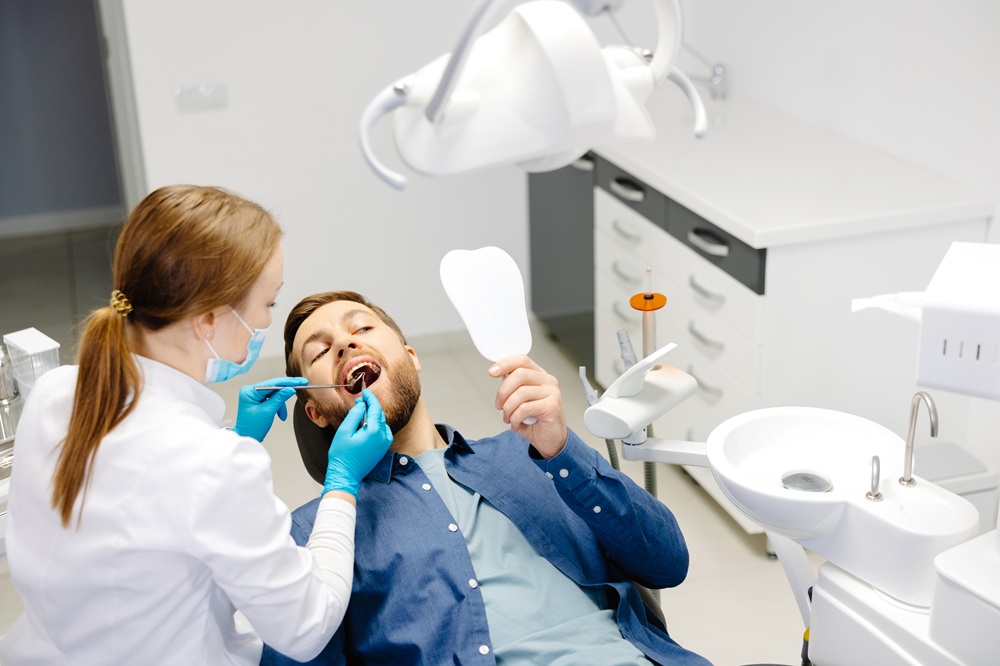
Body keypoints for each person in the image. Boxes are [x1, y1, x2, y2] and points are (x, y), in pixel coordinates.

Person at [0, 186, 392, 665]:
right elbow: (307, 628)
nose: (268, 318)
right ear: (208, 320)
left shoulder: (56, 391)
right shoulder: (212, 464)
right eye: (268, 304)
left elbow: (152, 499)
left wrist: (235, 438)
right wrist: (342, 483)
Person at [267, 290, 711, 665]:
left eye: (361, 329)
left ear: (410, 356)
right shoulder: (313, 535)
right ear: (315, 411)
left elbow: (669, 563)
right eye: (321, 351)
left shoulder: (531, 452)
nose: (345, 345)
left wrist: (562, 452)